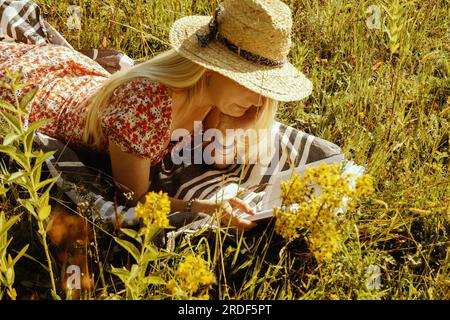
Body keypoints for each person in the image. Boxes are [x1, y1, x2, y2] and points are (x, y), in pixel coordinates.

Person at [0, 0, 312, 231]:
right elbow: (132, 199)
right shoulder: (146, 106)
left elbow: (218, 157)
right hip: (31, 90)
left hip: (77, 80)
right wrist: (206, 209)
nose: (259, 98)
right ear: (213, 69)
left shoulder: (216, 97)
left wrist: (239, 121)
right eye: (251, 82)